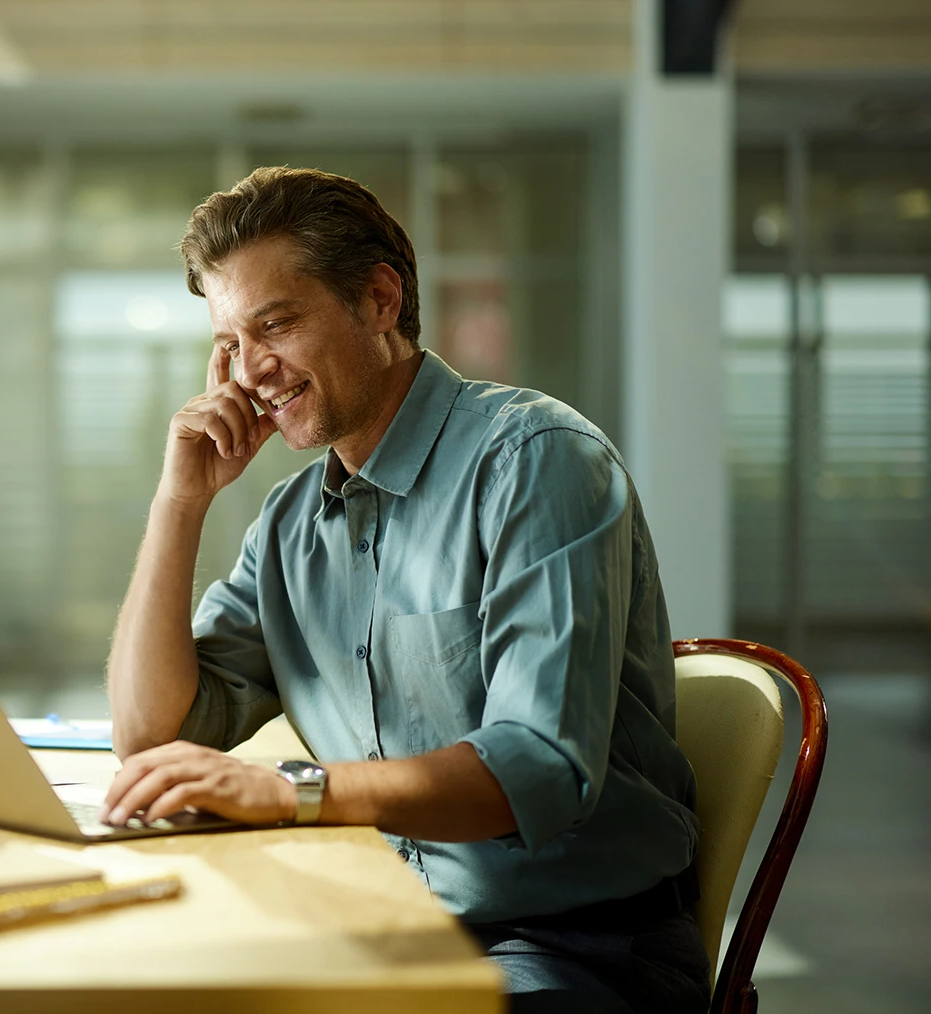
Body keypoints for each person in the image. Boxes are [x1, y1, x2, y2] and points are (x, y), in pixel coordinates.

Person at [101, 166, 710, 1014]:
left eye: (275, 324)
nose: (250, 372)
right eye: (230, 343)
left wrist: (291, 794)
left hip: (568, 946)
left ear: (381, 300)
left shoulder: (535, 459)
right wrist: (181, 502)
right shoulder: (288, 526)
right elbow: (150, 730)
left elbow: (537, 770)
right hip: (382, 923)